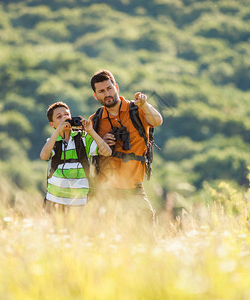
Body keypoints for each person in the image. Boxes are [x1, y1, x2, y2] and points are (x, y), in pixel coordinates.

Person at [89, 70, 163, 219]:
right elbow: (87, 152)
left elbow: (157, 121)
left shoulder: (136, 110)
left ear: (116, 87)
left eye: (109, 88)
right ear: (95, 96)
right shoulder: (94, 121)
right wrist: (101, 142)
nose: (107, 93)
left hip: (133, 187)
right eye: (101, 91)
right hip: (106, 189)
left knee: (146, 226)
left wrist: (145, 105)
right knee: (106, 236)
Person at [40, 101, 112, 212]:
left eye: (67, 115)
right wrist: (58, 130)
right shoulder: (53, 142)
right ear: (52, 124)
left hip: (79, 201)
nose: (64, 118)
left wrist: (91, 131)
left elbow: (107, 152)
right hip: (54, 199)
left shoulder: (83, 138)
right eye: (59, 117)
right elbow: (44, 156)